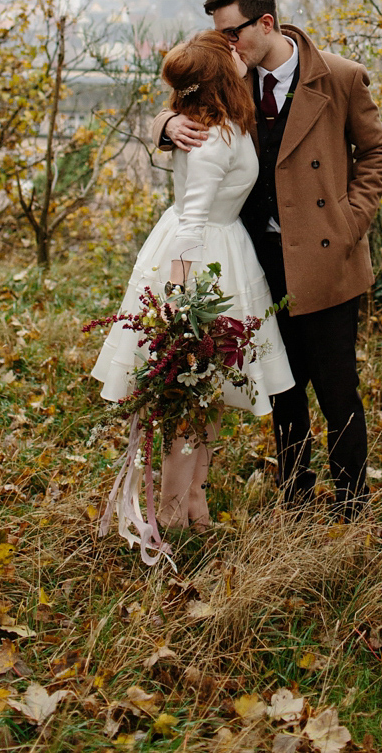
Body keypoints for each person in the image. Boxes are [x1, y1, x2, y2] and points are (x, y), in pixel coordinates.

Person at [153, 0, 382, 520]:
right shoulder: (234, 79)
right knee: (283, 391)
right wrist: (166, 121)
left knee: (338, 393)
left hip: (328, 258)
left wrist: (350, 222)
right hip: (258, 261)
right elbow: (187, 96)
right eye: (218, 36)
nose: (225, 46)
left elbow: (377, 153)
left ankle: (352, 509)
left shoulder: (340, 76)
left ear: (266, 23)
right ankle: (295, 502)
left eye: (232, 33)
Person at [91, 29, 294, 530]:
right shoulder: (208, 138)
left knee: (210, 394)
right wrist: (181, 307)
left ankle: (195, 502)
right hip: (200, 263)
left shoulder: (227, 119)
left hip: (227, 254)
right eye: (228, 53)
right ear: (222, 75)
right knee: (191, 393)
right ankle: (171, 511)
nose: (236, 51)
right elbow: (192, 223)